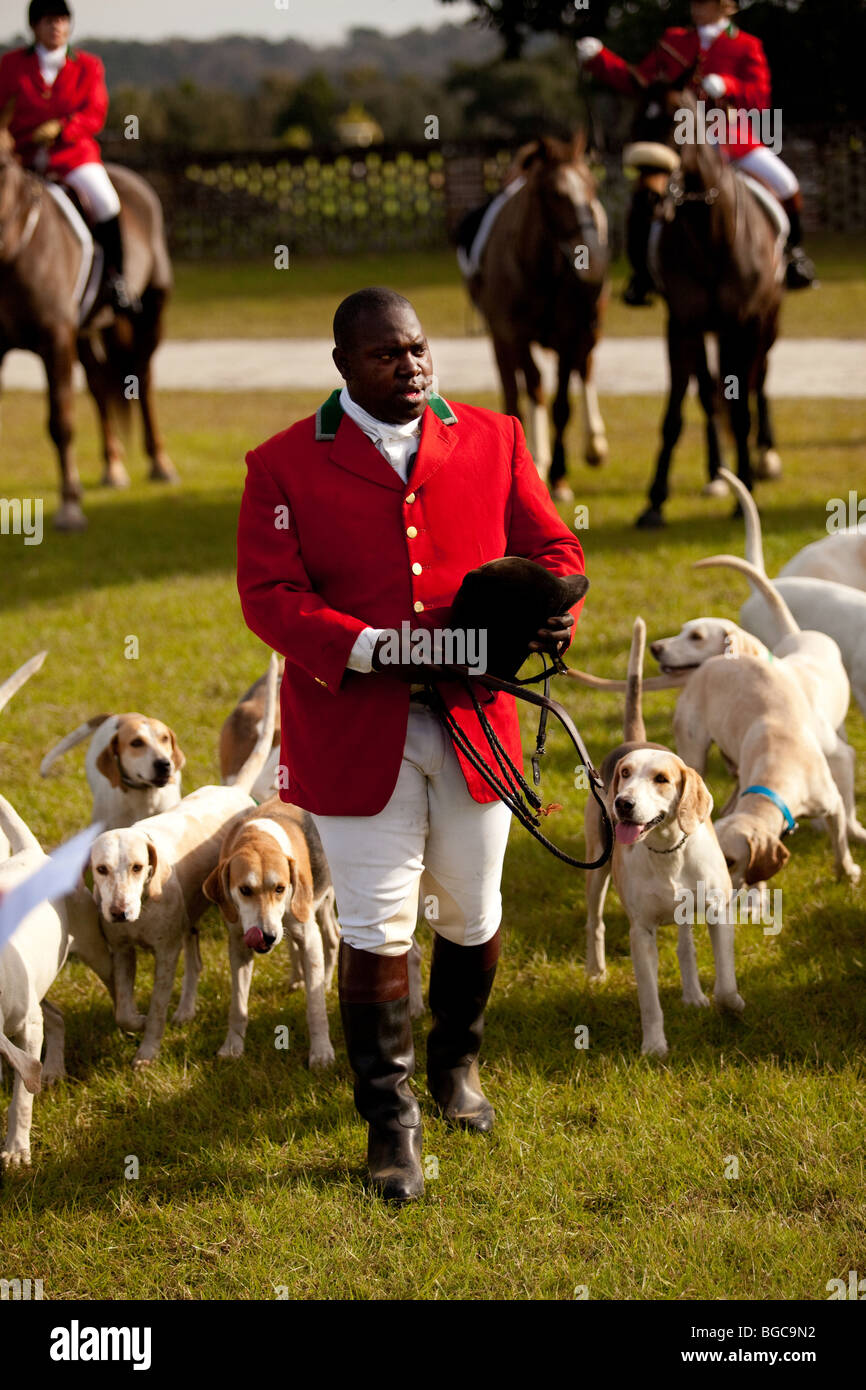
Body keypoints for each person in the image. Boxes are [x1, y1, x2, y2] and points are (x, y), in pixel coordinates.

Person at [237, 287, 586, 1203]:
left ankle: (456, 1066)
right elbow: (268, 595)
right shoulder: (280, 464)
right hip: (357, 724)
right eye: (387, 354)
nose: (411, 365)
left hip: (478, 718)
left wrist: (556, 617)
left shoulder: (496, 437)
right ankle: (390, 1123)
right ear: (345, 363)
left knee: (472, 912)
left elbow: (555, 553)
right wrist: (368, 647)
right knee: (376, 924)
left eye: (420, 348)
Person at [577, 0, 816, 301]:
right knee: (646, 195)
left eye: (703, 3)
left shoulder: (746, 45)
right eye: (693, 3)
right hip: (681, 139)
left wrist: (728, 85)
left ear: (723, 6)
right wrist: (600, 60)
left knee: (786, 183)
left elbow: (759, 98)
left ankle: (795, 256)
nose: (695, 8)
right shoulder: (674, 41)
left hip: (731, 138)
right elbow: (640, 81)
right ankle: (642, 275)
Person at [0, 0, 138, 313]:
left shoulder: (88, 65)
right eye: (49, 21)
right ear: (35, 27)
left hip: (72, 156)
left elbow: (95, 112)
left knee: (106, 201)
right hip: (21, 157)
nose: (57, 27)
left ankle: (117, 279)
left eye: (62, 20)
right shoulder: (10, 65)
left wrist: (63, 128)